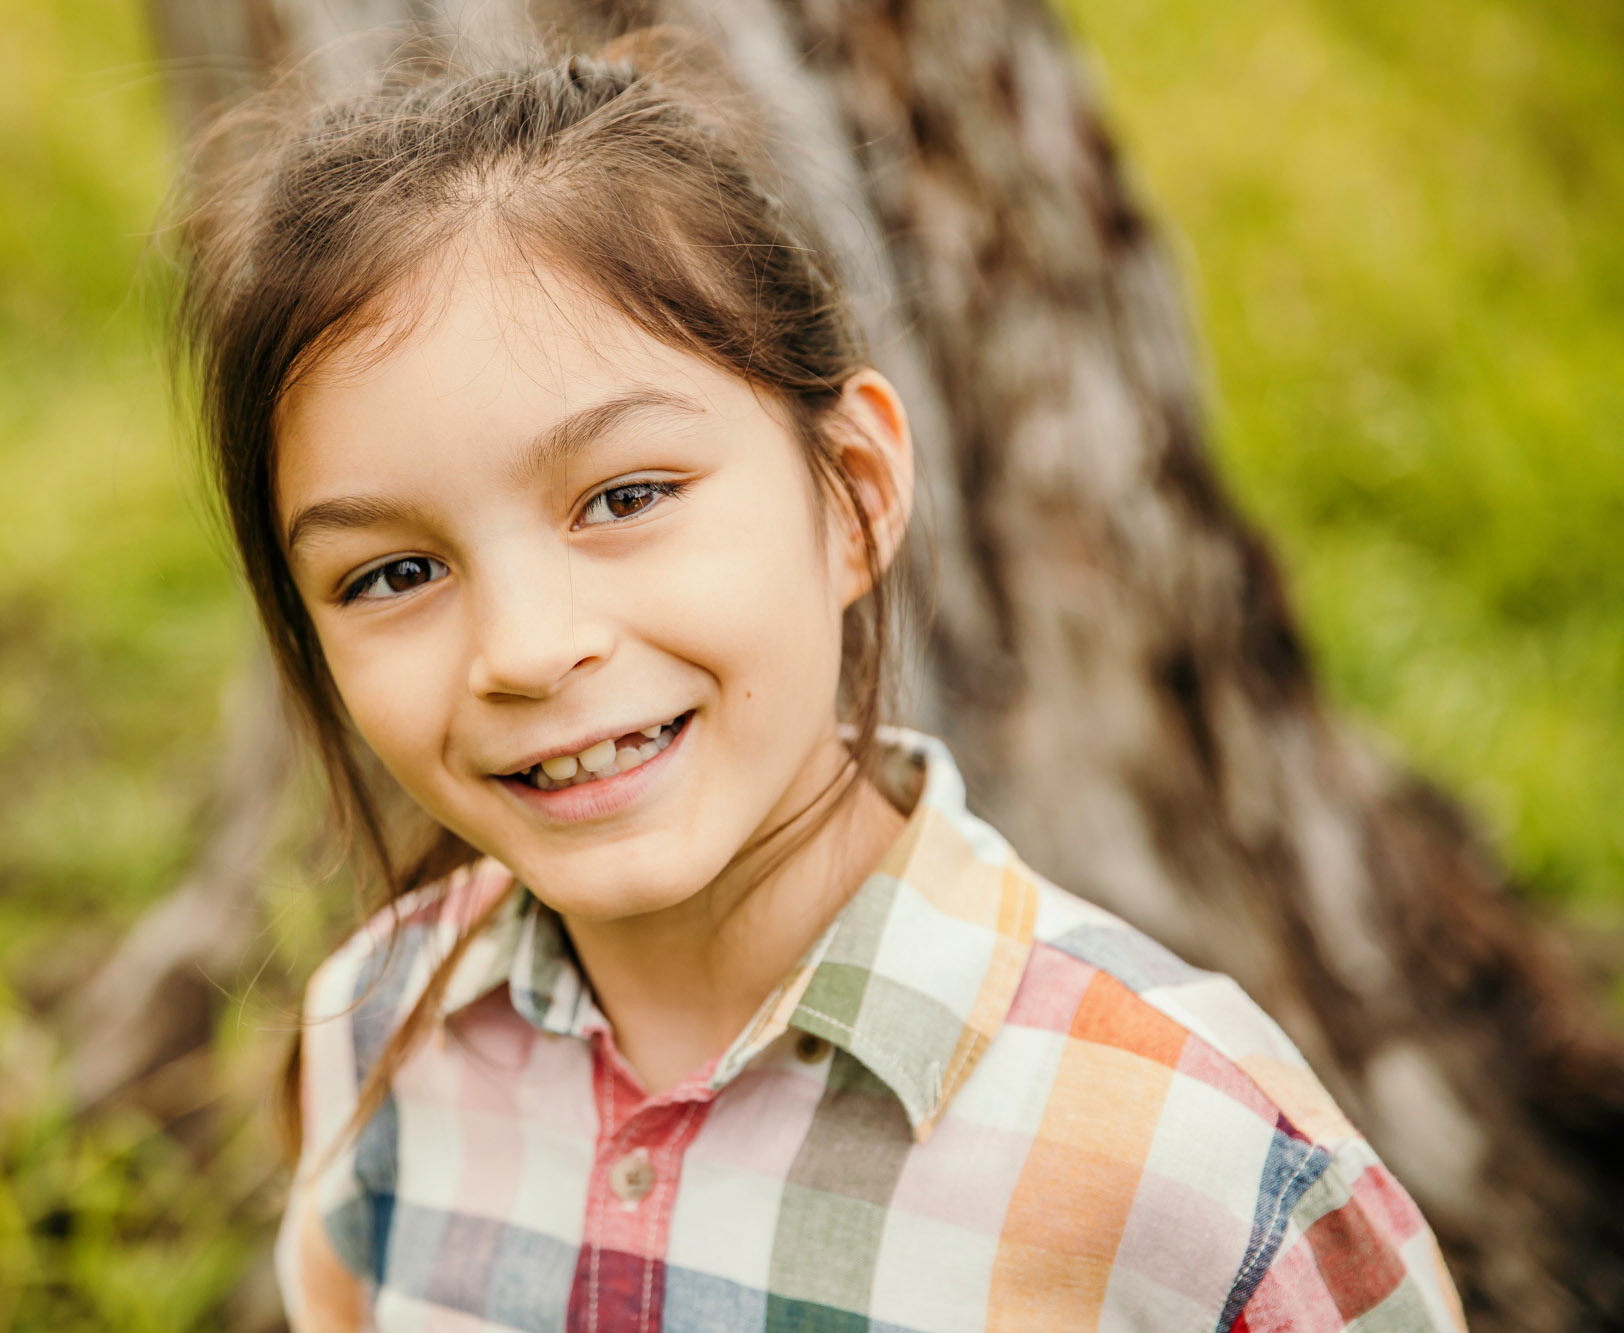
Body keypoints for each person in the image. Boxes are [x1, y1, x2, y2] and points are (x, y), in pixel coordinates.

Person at [174, 31, 1467, 1333]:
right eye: (393, 573)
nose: (521, 648)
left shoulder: (1194, 1157)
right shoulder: (381, 1031)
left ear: (852, 496)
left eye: (625, 496)